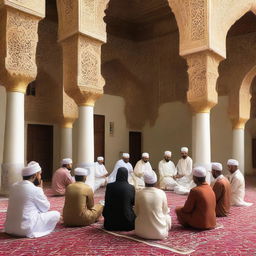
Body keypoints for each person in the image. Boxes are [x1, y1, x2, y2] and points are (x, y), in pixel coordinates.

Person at [4, 162, 60, 238]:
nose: (40, 177)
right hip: (25, 230)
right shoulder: (35, 189)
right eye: (39, 174)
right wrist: (41, 189)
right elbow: (46, 208)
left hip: (9, 228)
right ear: (35, 175)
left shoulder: (14, 186)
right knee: (56, 214)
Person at [134, 170, 171, 240]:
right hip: (160, 234)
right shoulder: (161, 193)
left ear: (144, 182)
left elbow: (136, 212)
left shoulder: (139, 193)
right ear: (156, 182)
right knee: (168, 217)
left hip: (140, 232)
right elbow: (165, 211)